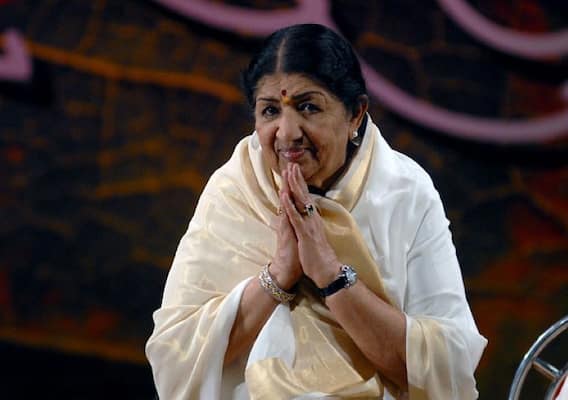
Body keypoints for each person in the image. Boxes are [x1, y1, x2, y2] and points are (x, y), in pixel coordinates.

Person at [146, 23, 487, 399]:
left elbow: (449, 365)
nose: (287, 133)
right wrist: (278, 275)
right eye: (270, 111)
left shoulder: (404, 192)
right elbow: (175, 355)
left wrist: (330, 274)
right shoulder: (234, 190)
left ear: (355, 114)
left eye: (308, 107)